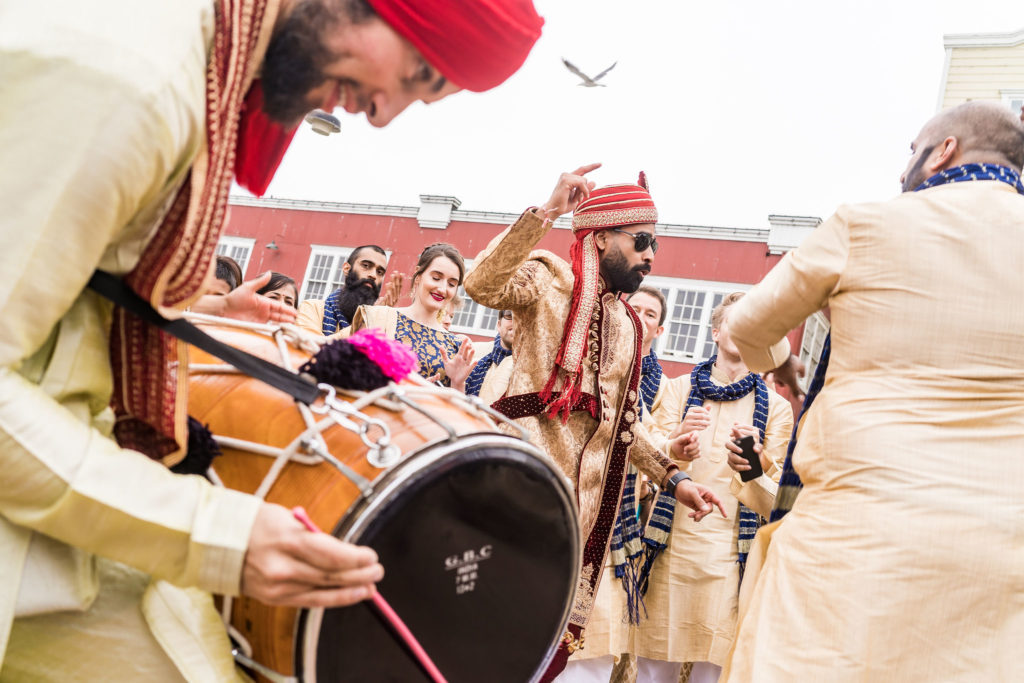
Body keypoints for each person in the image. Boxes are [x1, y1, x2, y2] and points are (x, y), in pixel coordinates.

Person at [0, 0, 544, 677]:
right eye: (416, 73)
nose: (382, 113)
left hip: (64, 490)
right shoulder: (134, 84)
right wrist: (217, 533)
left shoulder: (190, 64)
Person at [720, 101, 1024, 681]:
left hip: (858, 535)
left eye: (912, 151)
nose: (903, 169)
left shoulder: (866, 224)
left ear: (946, 151)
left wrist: (783, 367)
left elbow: (747, 324)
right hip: (1003, 553)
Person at [464, 165, 726, 682]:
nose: (651, 255)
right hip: (517, 495)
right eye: (642, 241)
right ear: (602, 235)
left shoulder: (629, 325)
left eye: (655, 244)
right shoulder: (548, 279)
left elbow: (627, 423)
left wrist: (677, 480)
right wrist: (547, 213)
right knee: (479, 636)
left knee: (534, 655)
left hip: (581, 523)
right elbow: (481, 284)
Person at [628, 292, 792, 683]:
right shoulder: (676, 389)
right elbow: (648, 452)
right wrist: (674, 445)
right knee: (652, 666)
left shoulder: (778, 409)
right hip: (670, 547)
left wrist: (757, 464)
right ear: (716, 332)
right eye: (736, 321)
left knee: (716, 670)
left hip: (731, 557)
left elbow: (781, 501)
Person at [559, 284, 669, 682]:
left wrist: (673, 466)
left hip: (620, 522)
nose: (639, 315)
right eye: (632, 307)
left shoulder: (663, 388)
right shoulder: (585, 363)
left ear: (657, 330)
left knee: (596, 638)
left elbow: (651, 440)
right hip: (570, 502)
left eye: (650, 313)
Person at [345, 243, 476, 388]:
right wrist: (407, 389)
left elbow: (457, 408)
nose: (442, 289)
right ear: (418, 276)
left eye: (451, 284)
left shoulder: (455, 346)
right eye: (436, 278)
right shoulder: (378, 318)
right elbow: (349, 376)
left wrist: (457, 383)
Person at [296, 244, 401, 334]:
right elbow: (313, 350)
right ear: (346, 269)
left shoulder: (383, 325)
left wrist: (380, 319)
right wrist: (368, 320)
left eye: (379, 272)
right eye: (366, 265)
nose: (373, 275)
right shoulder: (311, 308)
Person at [465, 310, 516, 403]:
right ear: (499, 325)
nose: (517, 321)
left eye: (525, 317)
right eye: (510, 315)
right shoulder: (473, 352)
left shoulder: (537, 371)